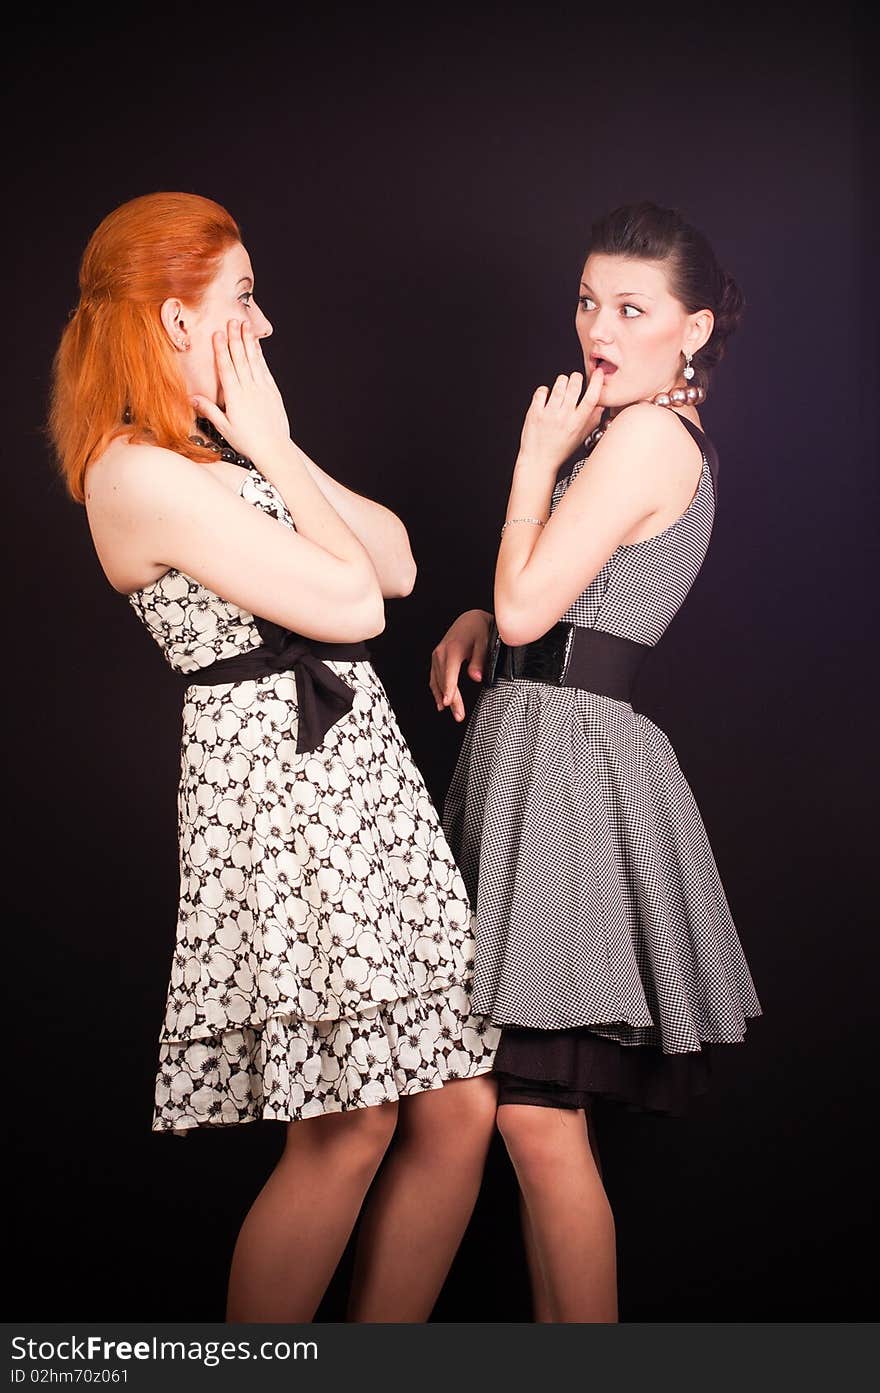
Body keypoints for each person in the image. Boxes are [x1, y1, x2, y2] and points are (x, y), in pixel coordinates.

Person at [48, 191, 499, 1323]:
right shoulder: (132, 473)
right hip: (282, 796)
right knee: (347, 1128)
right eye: (241, 298)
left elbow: (392, 561)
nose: (262, 324)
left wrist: (278, 446)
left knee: (456, 1107)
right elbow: (353, 602)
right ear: (170, 321)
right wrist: (278, 453)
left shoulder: (224, 452)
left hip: (361, 782)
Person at [431, 201, 762, 1323]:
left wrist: (534, 460)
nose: (597, 329)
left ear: (695, 329)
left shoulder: (640, 437)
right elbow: (555, 601)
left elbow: (540, 593)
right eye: (587, 300)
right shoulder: (634, 431)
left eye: (631, 308)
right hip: (536, 748)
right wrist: (493, 617)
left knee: (530, 1112)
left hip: (567, 769)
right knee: (484, 1107)